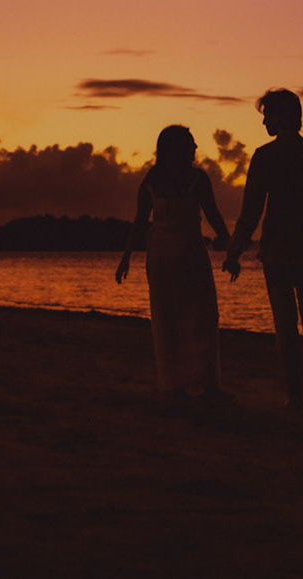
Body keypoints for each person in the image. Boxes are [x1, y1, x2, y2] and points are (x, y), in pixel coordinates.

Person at [223, 88, 303, 412]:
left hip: (278, 253)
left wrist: (234, 252)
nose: (264, 121)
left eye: (267, 115)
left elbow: (251, 212)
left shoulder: (265, 157)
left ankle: (295, 398)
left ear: (281, 117)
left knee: (286, 328)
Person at [115, 124, 233, 401]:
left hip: (160, 254)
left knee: (167, 316)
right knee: (201, 315)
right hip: (189, 250)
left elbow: (140, 222)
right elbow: (213, 216)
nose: (195, 148)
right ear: (176, 148)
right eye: (190, 144)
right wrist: (230, 247)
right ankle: (206, 384)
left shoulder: (152, 179)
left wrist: (126, 257)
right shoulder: (197, 179)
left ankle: (175, 384)